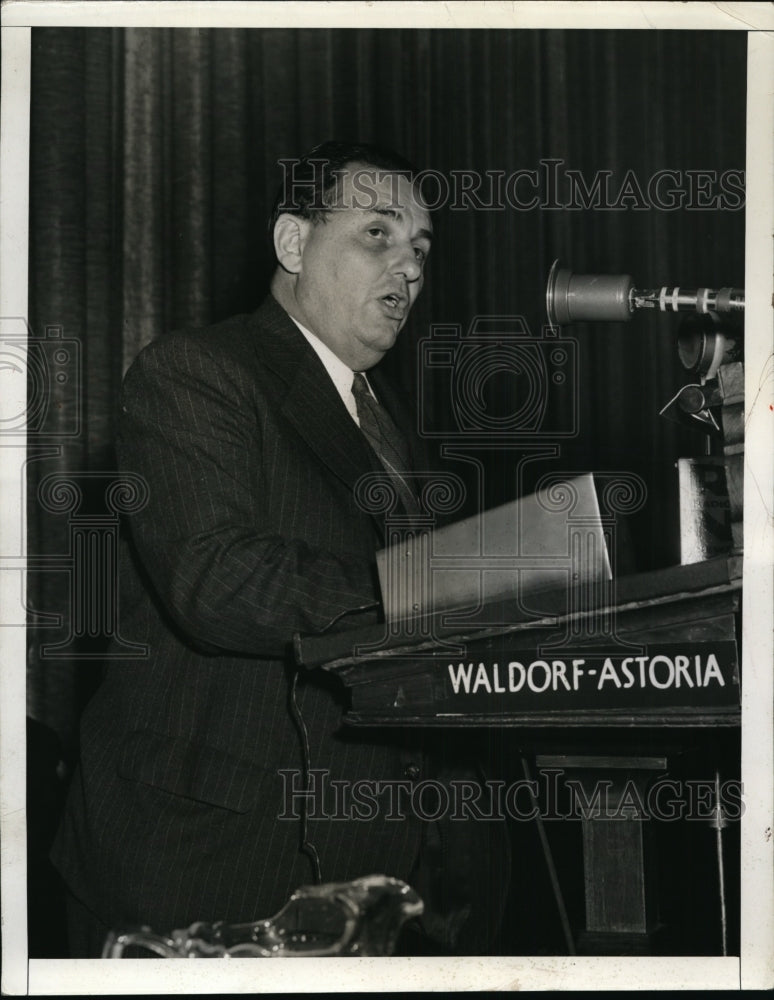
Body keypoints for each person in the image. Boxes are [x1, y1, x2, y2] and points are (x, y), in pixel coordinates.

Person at [51, 140, 509, 957]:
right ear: (294, 244)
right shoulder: (195, 373)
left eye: (421, 250)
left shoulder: (390, 419)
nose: (407, 269)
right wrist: (434, 585)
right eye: (379, 234)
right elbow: (216, 578)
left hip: (373, 882)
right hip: (208, 871)